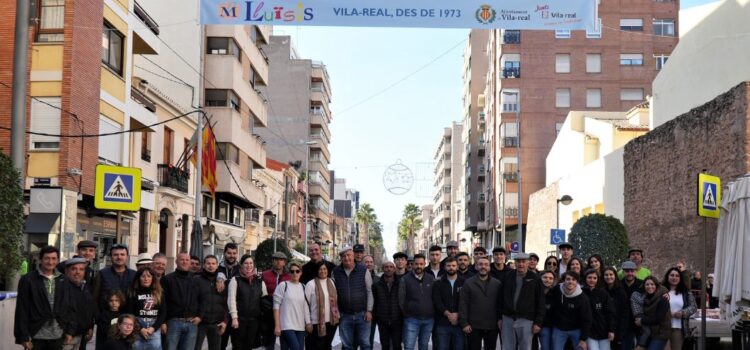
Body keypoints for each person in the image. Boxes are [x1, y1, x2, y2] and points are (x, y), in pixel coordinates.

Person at [14, 246, 66, 350]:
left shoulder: (63, 279)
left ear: (58, 260)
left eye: (53, 258)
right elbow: (22, 309)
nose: (50, 262)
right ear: (40, 259)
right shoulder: (28, 279)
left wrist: (68, 330)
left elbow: (67, 306)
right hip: (35, 336)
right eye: (47, 258)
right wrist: (23, 336)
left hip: (58, 335)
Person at [499, 253, 545, 350]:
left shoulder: (535, 278)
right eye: (518, 261)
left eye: (523, 261)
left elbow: (540, 301)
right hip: (507, 318)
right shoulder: (507, 276)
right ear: (515, 263)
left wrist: (538, 322)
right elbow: (500, 298)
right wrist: (499, 317)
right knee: (507, 347)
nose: (521, 264)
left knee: (525, 347)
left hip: (526, 320)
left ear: (528, 263)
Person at [333, 246, 374, 350]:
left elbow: (369, 291)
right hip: (344, 315)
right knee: (347, 346)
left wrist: (369, 310)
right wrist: (336, 313)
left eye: (349, 255)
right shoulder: (335, 272)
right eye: (344, 256)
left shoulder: (363, 270)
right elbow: (333, 294)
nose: (347, 258)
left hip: (362, 314)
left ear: (353, 256)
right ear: (341, 258)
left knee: (365, 344)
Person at [459, 256, 501, 350]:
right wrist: (464, 323)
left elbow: (500, 304)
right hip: (473, 326)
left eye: (486, 265)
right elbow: (463, 304)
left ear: (489, 267)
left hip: (492, 326)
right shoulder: (468, 283)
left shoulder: (497, 284)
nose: (483, 267)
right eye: (480, 264)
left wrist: (500, 320)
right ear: (476, 267)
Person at [227, 255, 268, 350]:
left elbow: (264, 301)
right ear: (241, 265)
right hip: (239, 320)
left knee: (249, 346)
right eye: (246, 263)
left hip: (254, 321)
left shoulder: (259, 281)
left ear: (253, 265)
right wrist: (234, 318)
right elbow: (231, 300)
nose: (248, 265)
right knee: (237, 346)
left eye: (250, 263)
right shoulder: (235, 280)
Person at [162, 252, 200, 350]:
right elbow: (163, 302)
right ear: (176, 261)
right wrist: (163, 322)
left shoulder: (195, 280)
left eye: (187, 260)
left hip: (192, 323)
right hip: (173, 322)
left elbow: (202, 299)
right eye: (182, 259)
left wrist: (200, 316)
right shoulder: (167, 279)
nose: (184, 262)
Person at [398, 253, 436, 350]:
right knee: (409, 346)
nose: (418, 266)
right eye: (416, 264)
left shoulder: (431, 279)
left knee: (424, 346)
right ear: (412, 264)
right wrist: (408, 313)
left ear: (425, 264)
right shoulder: (405, 279)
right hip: (412, 320)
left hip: (428, 320)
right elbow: (401, 300)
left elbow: (435, 297)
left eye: (421, 264)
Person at [273, 261, 312, 350]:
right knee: (296, 348)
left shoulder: (303, 287)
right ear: (289, 273)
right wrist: (277, 325)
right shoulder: (283, 285)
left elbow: (305, 307)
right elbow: (276, 306)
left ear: (301, 273)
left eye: (297, 271)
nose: (295, 273)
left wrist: (308, 322)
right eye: (292, 271)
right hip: (286, 325)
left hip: (300, 326)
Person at [549, 271, 592, 350]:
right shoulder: (557, 290)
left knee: (581, 348)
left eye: (573, 279)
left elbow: (587, 319)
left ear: (577, 282)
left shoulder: (583, 298)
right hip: (559, 328)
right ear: (564, 281)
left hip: (576, 329)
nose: (570, 281)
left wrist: (583, 339)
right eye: (568, 279)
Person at [61, 257, 96, 350]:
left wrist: (90, 327)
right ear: (66, 271)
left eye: (81, 269)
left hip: (81, 335)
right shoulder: (62, 288)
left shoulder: (85, 288)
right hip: (67, 337)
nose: (78, 272)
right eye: (74, 269)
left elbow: (88, 309)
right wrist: (68, 332)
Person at [194, 255, 228, 350]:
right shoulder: (197, 280)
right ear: (204, 265)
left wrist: (225, 321)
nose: (211, 266)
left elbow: (226, 303)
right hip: (200, 323)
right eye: (208, 263)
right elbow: (192, 301)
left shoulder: (222, 282)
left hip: (216, 323)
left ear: (217, 265)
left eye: (213, 263)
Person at [127, 267, 165, 350]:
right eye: (143, 276)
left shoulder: (159, 293)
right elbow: (130, 313)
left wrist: (153, 328)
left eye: (149, 276)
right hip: (137, 329)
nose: (146, 279)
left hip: (154, 329)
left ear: (153, 278)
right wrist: (140, 329)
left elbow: (163, 313)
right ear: (138, 278)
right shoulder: (133, 292)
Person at [305, 261, 340, 350]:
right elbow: (305, 305)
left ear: (327, 270)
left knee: (327, 345)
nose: (322, 271)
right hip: (316, 323)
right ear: (317, 271)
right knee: (318, 346)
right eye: (320, 269)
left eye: (324, 269)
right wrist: (308, 322)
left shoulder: (331, 282)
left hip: (332, 322)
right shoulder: (311, 284)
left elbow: (336, 300)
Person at [94, 244, 136, 317]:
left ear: (127, 257)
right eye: (115, 255)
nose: (119, 257)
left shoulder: (134, 275)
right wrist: (98, 316)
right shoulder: (102, 274)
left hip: (128, 318)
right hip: (106, 318)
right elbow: (95, 297)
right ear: (111, 257)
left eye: (122, 254)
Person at [432, 257, 466, 350]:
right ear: (444, 267)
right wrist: (449, 315)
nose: (451, 268)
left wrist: (457, 315)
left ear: (457, 267)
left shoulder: (464, 282)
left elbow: (466, 301)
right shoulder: (438, 283)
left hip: (459, 323)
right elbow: (437, 301)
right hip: (442, 323)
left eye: (453, 266)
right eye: (449, 266)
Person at [262, 252, 291, 350]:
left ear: (284, 262)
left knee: (285, 341)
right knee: (269, 342)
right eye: (276, 260)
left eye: (281, 260)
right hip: (269, 311)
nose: (278, 262)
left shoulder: (290, 276)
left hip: (284, 312)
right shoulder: (265, 275)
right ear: (273, 261)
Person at [663, 267, 697, 350]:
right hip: (662, 328)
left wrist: (683, 312)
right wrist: (666, 313)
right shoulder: (661, 291)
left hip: (678, 327)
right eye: (672, 275)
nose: (674, 278)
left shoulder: (686, 292)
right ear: (667, 277)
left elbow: (694, 307)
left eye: (677, 276)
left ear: (680, 278)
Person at [373, 261, 403, 350]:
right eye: (386, 267)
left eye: (391, 267)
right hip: (383, 320)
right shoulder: (376, 285)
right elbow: (375, 302)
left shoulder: (401, 283)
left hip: (397, 320)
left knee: (397, 345)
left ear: (394, 269)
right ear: (383, 269)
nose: (389, 269)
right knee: (385, 345)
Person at [582, 269, 615, 350]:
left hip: (604, 331)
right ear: (585, 278)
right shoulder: (581, 293)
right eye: (589, 277)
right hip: (589, 332)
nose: (592, 280)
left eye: (594, 278)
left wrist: (611, 330)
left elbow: (610, 313)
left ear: (598, 279)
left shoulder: (603, 293)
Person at [217, 243, 240, 350]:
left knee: (237, 343)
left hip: (236, 311)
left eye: (234, 253)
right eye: (229, 253)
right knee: (221, 343)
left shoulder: (241, 269)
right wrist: (219, 278)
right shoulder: (218, 268)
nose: (232, 255)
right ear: (224, 253)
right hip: (221, 312)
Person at [639, 277, 671, 350]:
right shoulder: (645, 298)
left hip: (661, 333)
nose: (650, 286)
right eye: (647, 284)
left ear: (656, 286)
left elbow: (658, 319)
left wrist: (641, 320)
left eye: (652, 284)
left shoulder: (663, 299)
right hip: (651, 333)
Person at [603, 267, 629, 350]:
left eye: (611, 274)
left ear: (615, 276)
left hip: (617, 330)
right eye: (606, 275)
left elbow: (624, 314)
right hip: (603, 329)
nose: (608, 277)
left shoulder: (621, 292)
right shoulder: (601, 290)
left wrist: (620, 334)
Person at [619, 261, 643, 350]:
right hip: (624, 322)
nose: (629, 273)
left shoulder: (642, 284)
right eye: (627, 271)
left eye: (632, 271)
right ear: (623, 272)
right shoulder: (618, 284)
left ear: (636, 272)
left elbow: (658, 288)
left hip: (639, 321)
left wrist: (665, 293)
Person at [538, 270, 558, 350]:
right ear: (540, 278)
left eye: (550, 278)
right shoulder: (535, 292)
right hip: (537, 325)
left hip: (550, 326)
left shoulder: (555, 293)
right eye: (545, 277)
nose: (548, 280)